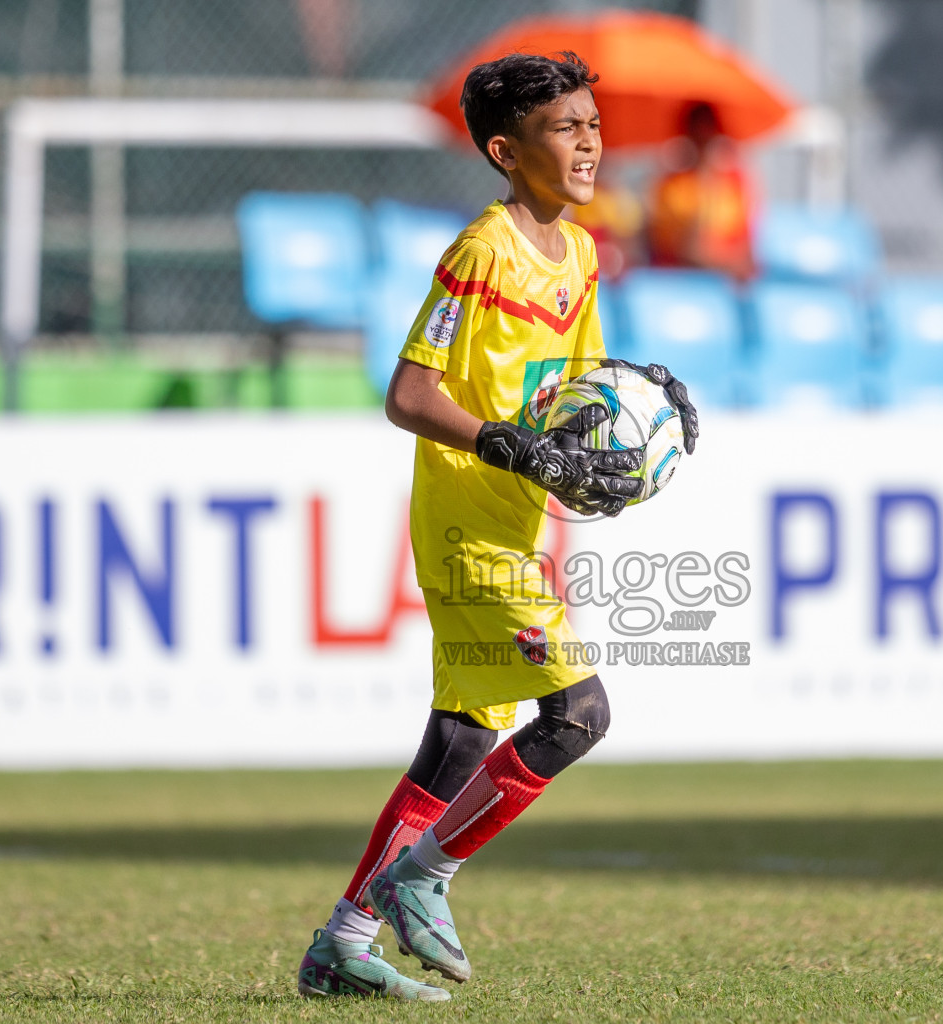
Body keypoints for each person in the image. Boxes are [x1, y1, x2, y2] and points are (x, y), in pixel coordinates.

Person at [295, 51, 700, 1002]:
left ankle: (343, 942)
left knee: (461, 743)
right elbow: (408, 395)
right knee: (578, 714)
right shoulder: (482, 250)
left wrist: (617, 437)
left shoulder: (584, 253)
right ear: (504, 150)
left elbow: (576, 394)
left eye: (594, 124)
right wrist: (518, 450)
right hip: (465, 526)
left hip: (513, 530)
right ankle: (423, 875)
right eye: (566, 128)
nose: (591, 141)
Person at [646, 101, 759, 280]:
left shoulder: (736, 183)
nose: (704, 134)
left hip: (724, 282)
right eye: (698, 126)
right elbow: (678, 249)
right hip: (681, 282)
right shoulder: (671, 186)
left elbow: (746, 247)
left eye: (709, 126)